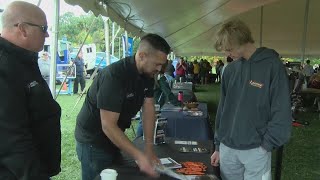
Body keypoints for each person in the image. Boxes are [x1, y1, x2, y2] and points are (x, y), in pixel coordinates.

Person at [75, 33, 171, 180]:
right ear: (142, 56)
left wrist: (149, 148)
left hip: (114, 137)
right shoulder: (114, 76)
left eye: (162, 65)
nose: (159, 69)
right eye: (157, 64)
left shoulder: (148, 75)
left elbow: (148, 109)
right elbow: (108, 125)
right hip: (93, 141)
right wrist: (139, 155)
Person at [210, 19, 291, 180]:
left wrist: (266, 145)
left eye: (229, 49)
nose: (226, 54)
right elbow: (223, 109)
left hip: (256, 150)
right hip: (228, 149)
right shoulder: (230, 70)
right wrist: (219, 146)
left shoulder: (272, 66)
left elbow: (281, 110)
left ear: (241, 42)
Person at [0, 1, 61, 179]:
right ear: (23, 29)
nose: (47, 34)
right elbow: (12, 140)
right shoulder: (5, 66)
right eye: (44, 28)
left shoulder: (21, 60)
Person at [136, 61, 180, 137]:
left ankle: (138, 141)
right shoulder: (161, 78)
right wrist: (179, 104)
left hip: (144, 102)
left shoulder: (148, 74)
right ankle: (139, 140)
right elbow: (168, 93)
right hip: (154, 105)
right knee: (146, 123)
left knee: (143, 122)